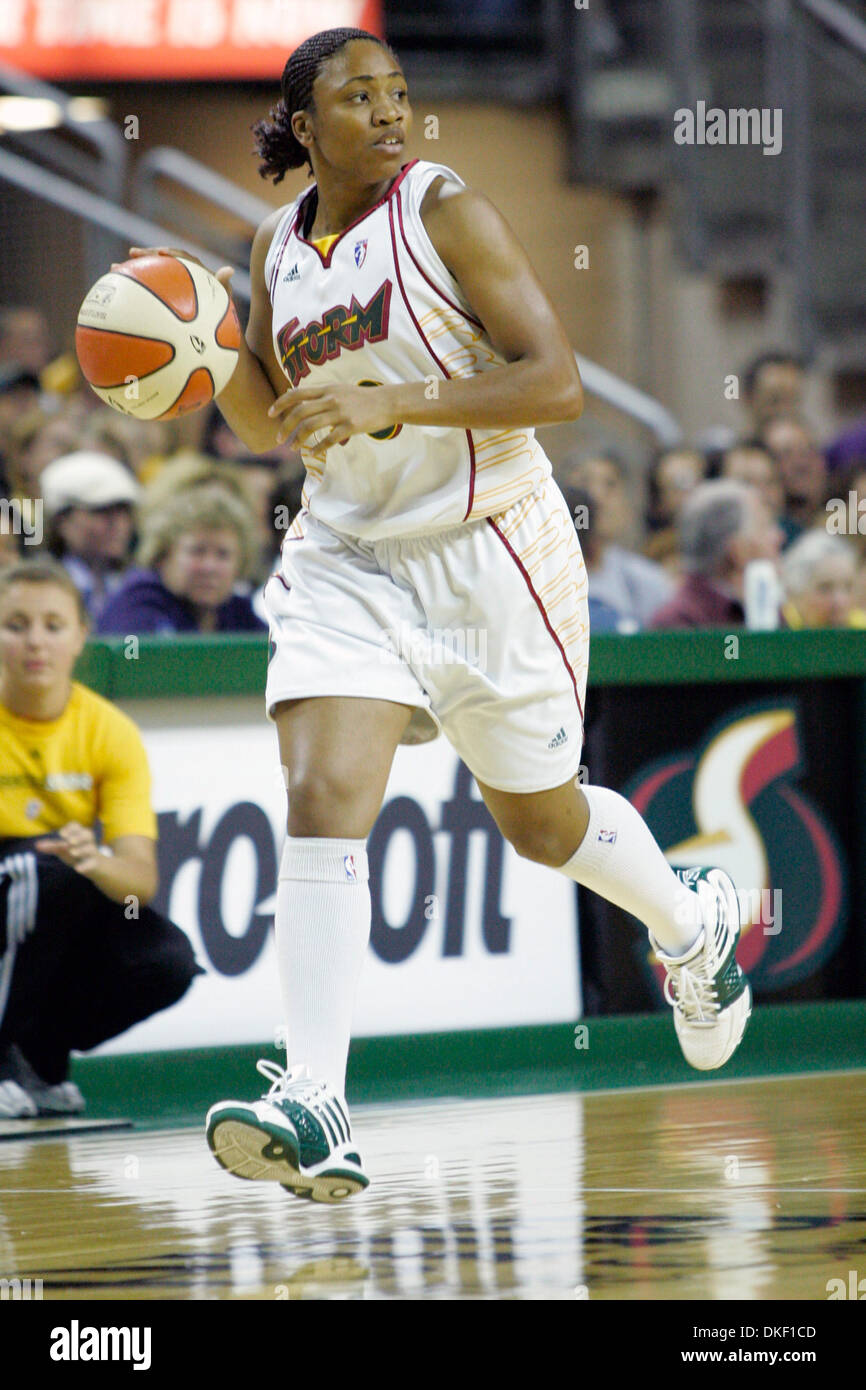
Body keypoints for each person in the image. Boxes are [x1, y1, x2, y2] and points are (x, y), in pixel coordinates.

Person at [131, 27, 752, 1203]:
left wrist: (401, 400)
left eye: (397, 93)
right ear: (304, 128)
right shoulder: (276, 245)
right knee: (318, 794)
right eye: (355, 98)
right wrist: (197, 341)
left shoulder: (443, 212)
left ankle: (688, 923)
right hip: (347, 556)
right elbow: (280, 423)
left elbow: (554, 381)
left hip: (489, 546)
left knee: (537, 823)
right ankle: (315, 1097)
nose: (387, 112)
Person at [0, 558, 202, 1118]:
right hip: (15, 882)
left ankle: (38, 1057)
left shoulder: (109, 730)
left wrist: (95, 861)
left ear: (81, 637)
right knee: (35, 874)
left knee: (166, 960)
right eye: (15, 625)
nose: (34, 642)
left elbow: (139, 878)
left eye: (52, 625)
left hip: (58, 881)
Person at [97, 484, 267, 636]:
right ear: (162, 556)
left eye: (223, 555)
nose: (209, 567)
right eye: (197, 551)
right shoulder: (138, 605)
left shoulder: (238, 613)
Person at [557, 451, 675, 629]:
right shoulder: (543, 577)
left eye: (610, 485)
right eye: (584, 482)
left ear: (627, 507)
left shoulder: (648, 581)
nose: (596, 496)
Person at [648, 479, 784, 629]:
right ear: (738, 550)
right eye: (764, 527)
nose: (779, 536)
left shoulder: (767, 609)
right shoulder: (679, 623)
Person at [40, 451, 140, 623]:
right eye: (102, 511)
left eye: (124, 511)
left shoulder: (136, 585)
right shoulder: (39, 584)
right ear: (62, 521)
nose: (118, 525)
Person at [780, 530, 866, 629]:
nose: (840, 602)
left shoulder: (861, 629)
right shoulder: (776, 629)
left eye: (848, 587)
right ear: (795, 594)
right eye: (825, 588)